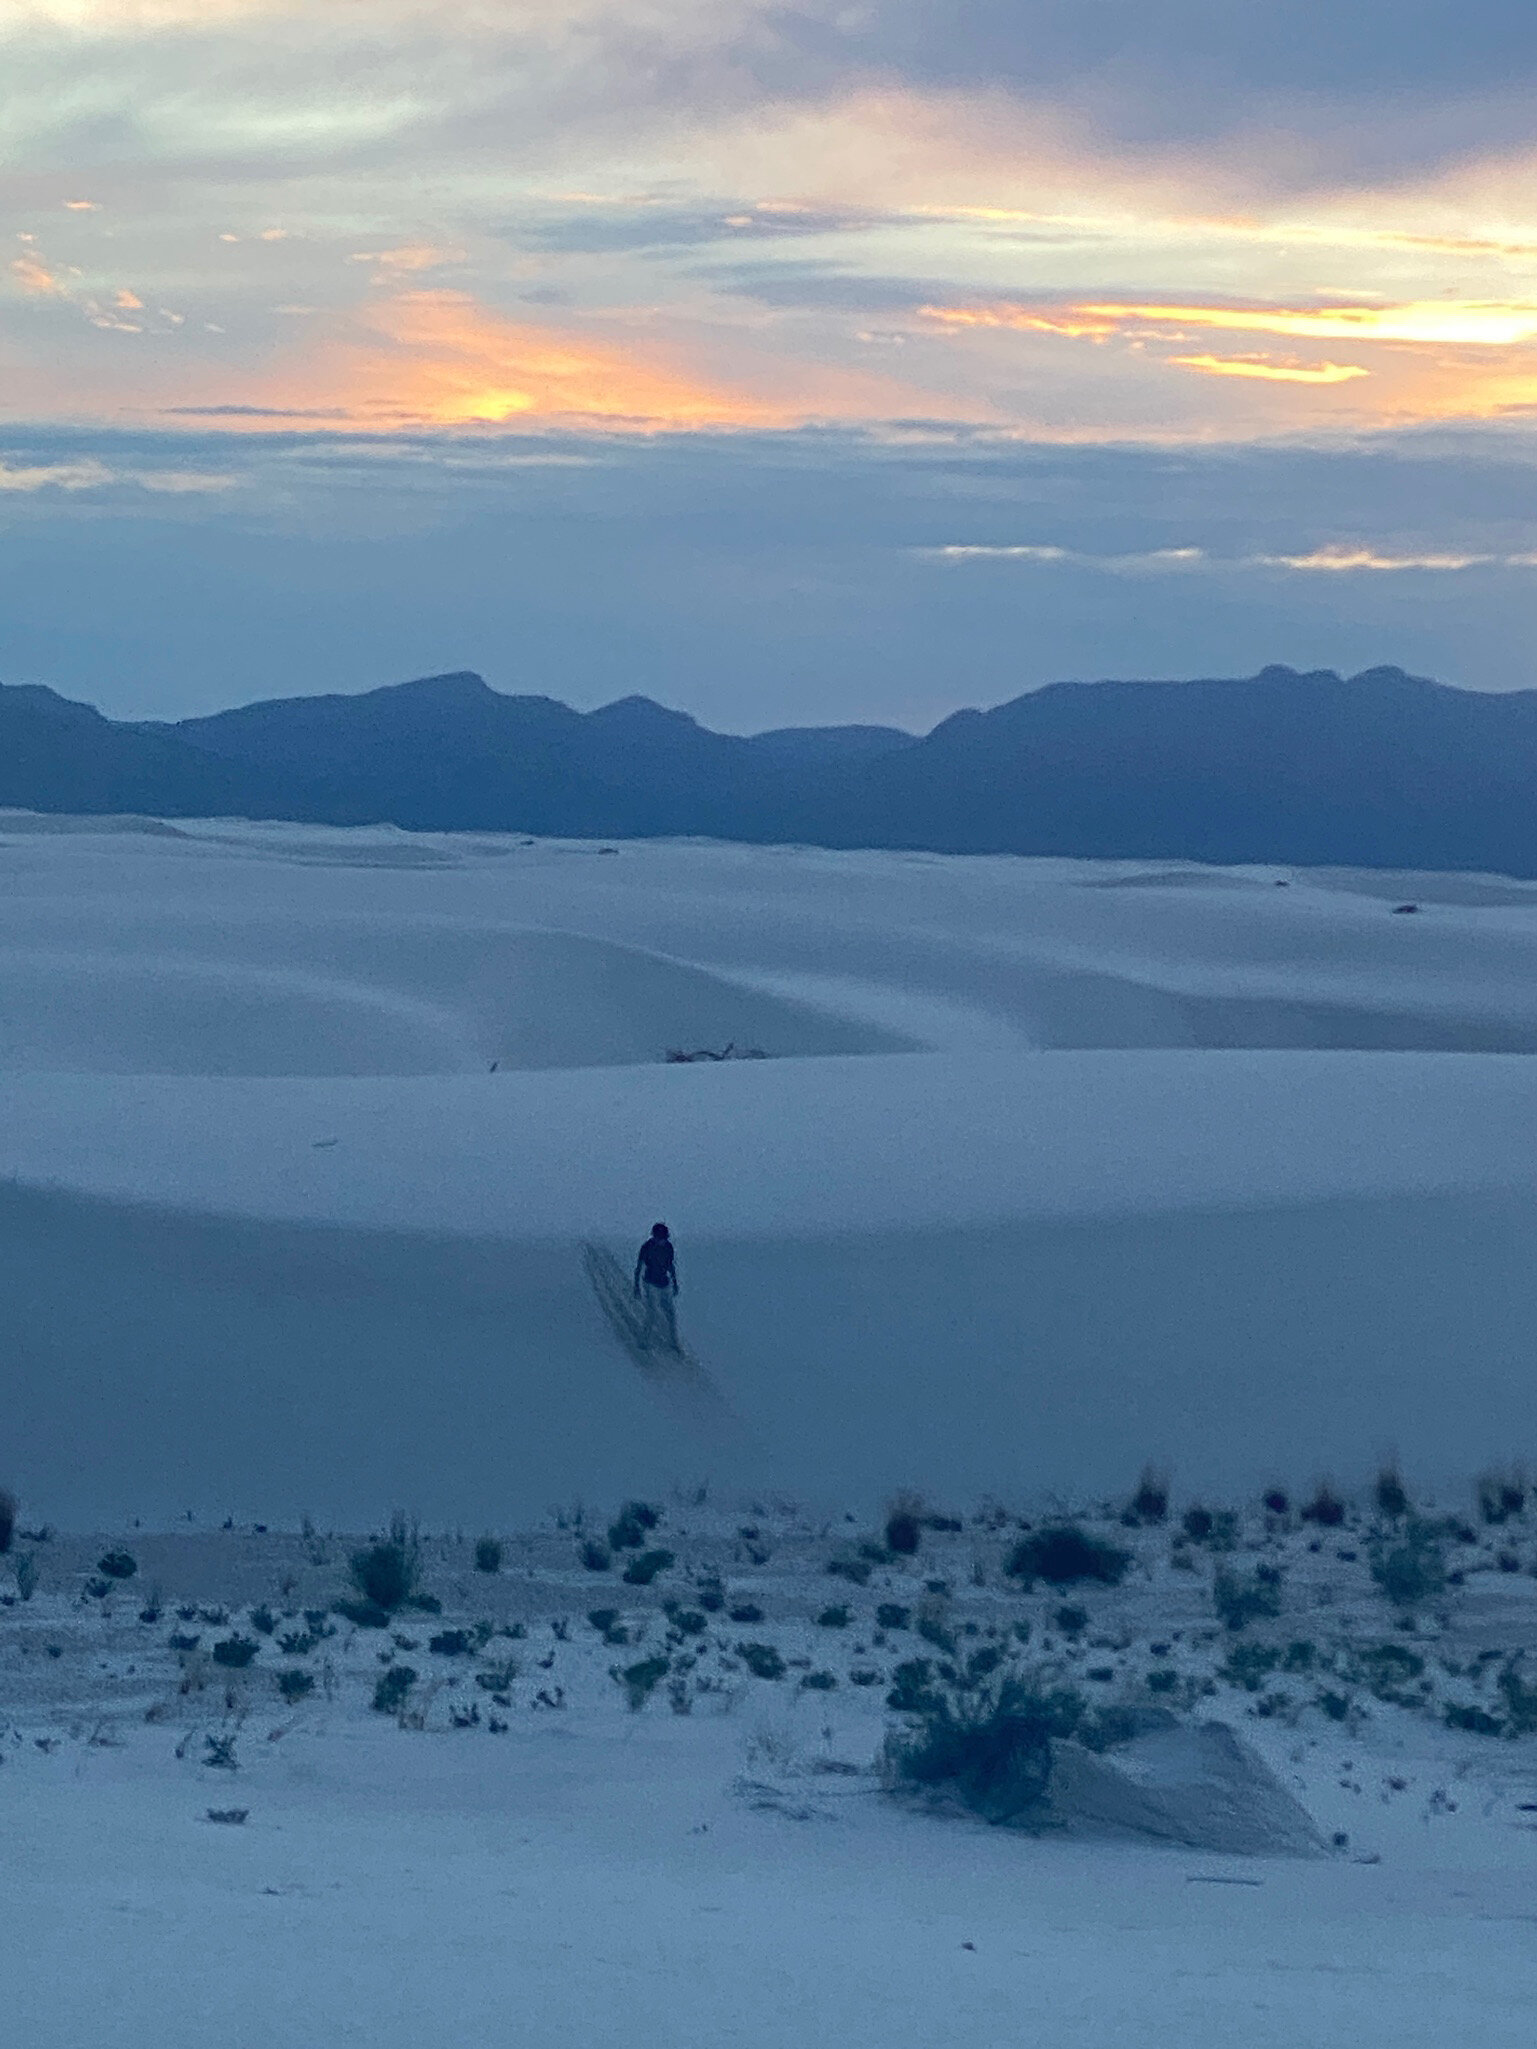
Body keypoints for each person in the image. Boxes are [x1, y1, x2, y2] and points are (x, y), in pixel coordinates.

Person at [633, 1222, 680, 1349]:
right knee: (652, 1313)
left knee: (670, 1314)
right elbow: (639, 1267)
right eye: (659, 1238)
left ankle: (674, 1343)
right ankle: (643, 1341)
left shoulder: (668, 1247)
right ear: (654, 1236)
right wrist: (637, 1286)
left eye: (663, 1238)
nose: (661, 1241)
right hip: (650, 1283)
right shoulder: (646, 1247)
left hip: (664, 1283)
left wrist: (675, 1282)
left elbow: (670, 1266)